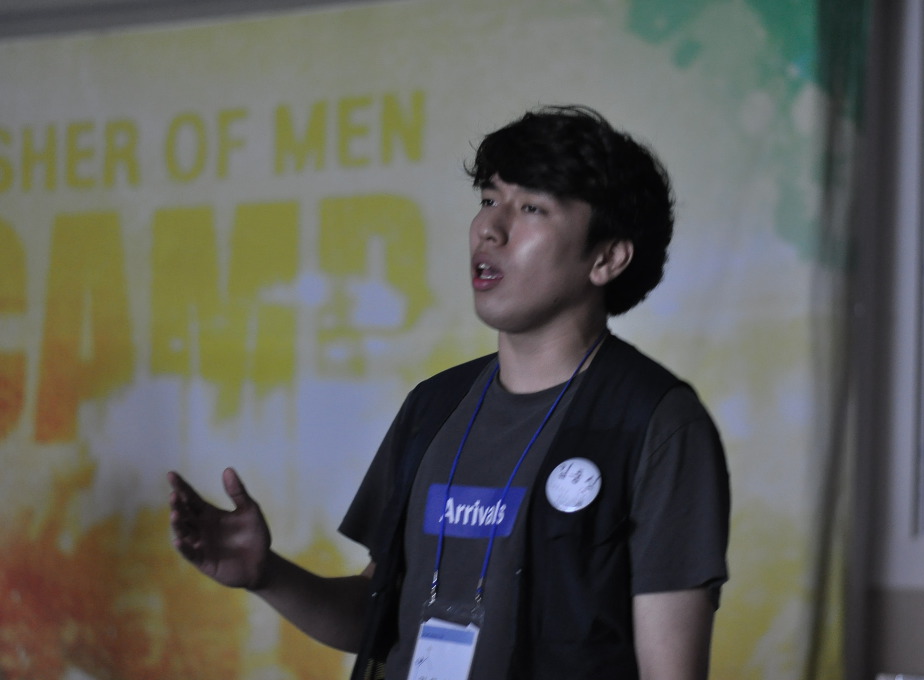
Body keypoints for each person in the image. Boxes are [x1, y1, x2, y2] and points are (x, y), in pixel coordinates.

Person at [168, 104, 730, 680]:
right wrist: (266, 574)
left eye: (531, 208)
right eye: (489, 200)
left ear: (607, 257)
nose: (490, 228)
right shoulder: (434, 406)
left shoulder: (657, 423)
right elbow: (377, 619)